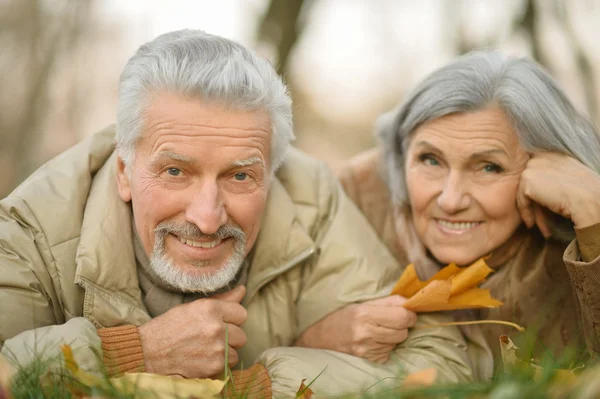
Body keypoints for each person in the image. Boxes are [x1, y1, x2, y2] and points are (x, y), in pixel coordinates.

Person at [0, 30, 475, 397]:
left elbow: (442, 367)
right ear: (124, 171)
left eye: (240, 177)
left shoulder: (309, 196)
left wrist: (261, 386)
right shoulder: (30, 230)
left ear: (272, 172)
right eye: (175, 171)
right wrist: (131, 354)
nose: (207, 218)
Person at [303, 50, 600, 372]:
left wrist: (594, 216)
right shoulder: (347, 197)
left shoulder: (574, 226)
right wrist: (313, 337)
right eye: (430, 160)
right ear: (401, 154)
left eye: (489, 167)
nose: (450, 199)